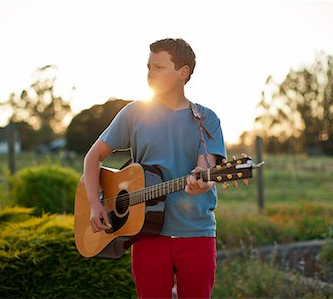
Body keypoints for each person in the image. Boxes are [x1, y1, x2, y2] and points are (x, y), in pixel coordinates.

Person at [83, 38, 237, 298]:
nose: (150, 74)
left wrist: (203, 181)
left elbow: (206, 167)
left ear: (183, 72)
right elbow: (93, 157)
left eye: (159, 67)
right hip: (147, 235)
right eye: (148, 67)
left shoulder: (206, 118)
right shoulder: (134, 113)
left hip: (196, 234)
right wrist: (94, 203)